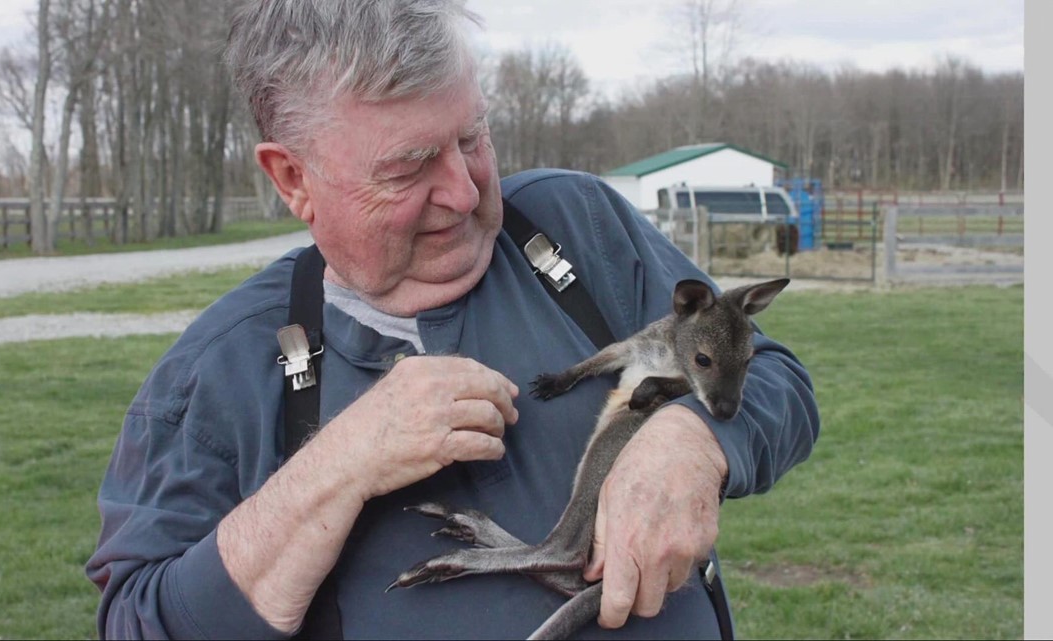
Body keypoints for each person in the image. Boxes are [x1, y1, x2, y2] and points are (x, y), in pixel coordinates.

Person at [85, 1, 821, 639]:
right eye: (408, 168)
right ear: (293, 178)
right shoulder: (219, 369)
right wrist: (337, 464)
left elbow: (779, 382)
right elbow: (141, 620)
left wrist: (697, 440)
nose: (466, 192)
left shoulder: (577, 228)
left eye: (473, 139)